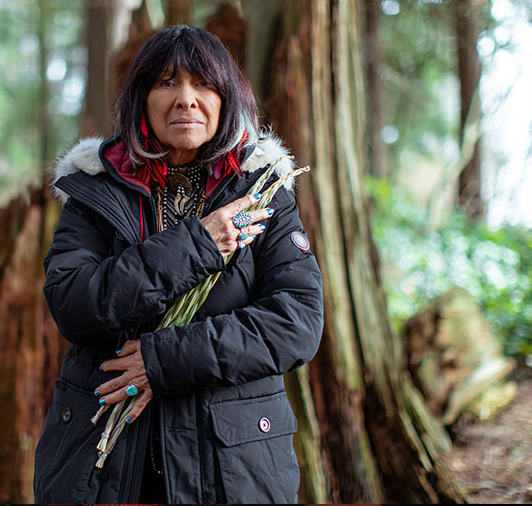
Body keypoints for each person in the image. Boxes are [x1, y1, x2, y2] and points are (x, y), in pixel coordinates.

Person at [33, 25, 323, 504]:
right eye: (166, 83)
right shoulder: (95, 189)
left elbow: (297, 322)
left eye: (202, 83)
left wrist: (161, 360)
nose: (186, 99)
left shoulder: (261, 192)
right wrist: (201, 243)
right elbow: (74, 303)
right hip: (100, 464)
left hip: (231, 466)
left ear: (226, 98)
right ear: (141, 100)